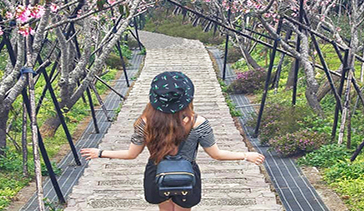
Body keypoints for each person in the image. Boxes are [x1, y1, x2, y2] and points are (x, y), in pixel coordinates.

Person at [81, 71, 265, 211]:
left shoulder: (145, 122)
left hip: (157, 172)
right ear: (187, 98)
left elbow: (131, 154)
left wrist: (100, 153)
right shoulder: (199, 123)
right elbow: (216, 154)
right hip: (187, 173)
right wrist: (245, 155)